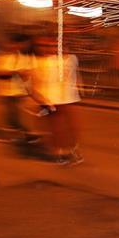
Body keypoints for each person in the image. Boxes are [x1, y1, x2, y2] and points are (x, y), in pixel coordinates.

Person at [31, 37, 83, 165]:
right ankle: (60, 152)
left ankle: (71, 151)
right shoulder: (47, 61)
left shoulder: (70, 59)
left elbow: (75, 75)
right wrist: (41, 98)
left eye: (56, 46)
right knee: (57, 127)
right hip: (53, 99)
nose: (53, 49)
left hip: (67, 98)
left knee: (69, 127)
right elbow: (38, 83)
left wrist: (79, 88)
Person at [0, 34, 37, 144]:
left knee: (11, 114)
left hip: (18, 92)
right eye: (13, 43)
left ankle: (24, 134)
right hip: (5, 91)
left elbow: (27, 74)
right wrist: (14, 72)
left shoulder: (26, 58)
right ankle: (24, 134)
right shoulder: (3, 57)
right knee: (11, 114)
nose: (16, 46)